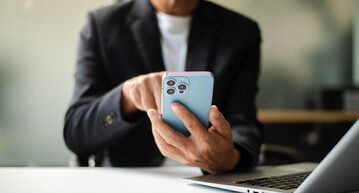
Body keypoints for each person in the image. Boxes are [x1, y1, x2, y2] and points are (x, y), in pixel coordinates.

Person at [63, 0, 262, 174]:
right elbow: (76, 132)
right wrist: (127, 97)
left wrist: (229, 159)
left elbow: (243, 124)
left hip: (210, 183)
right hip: (128, 186)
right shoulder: (101, 25)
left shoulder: (241, 32)